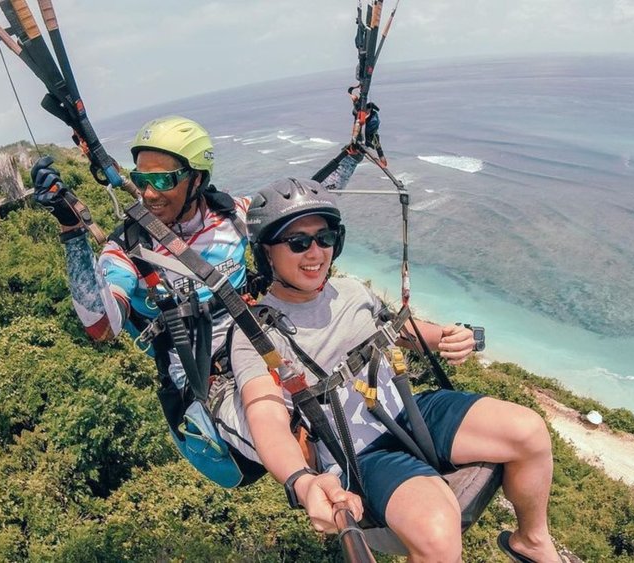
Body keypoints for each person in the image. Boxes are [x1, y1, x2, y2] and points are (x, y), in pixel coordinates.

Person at [225, 178, 564, 562]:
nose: (315, 253)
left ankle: (531, 541)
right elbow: (264, 414)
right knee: (438, 536)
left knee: (529, 432)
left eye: (325, 237)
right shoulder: (256, 332)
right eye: (298, 242)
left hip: (408, 412)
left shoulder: (352, 291)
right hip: (357, 454)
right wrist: (301, 482)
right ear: (266, 252)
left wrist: (448, 337)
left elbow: (399, 330)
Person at [31, 116, 364, 481]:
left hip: (264, 342)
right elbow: (101, 326)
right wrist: (71, 231)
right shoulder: (127, 249)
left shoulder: (233, 215)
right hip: (210, 377)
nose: (149, 193)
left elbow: (301, 210)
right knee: (304, 445)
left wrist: (353, 152)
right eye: (142, 180)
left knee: (357, 382)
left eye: (163, 180)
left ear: (197, 179)